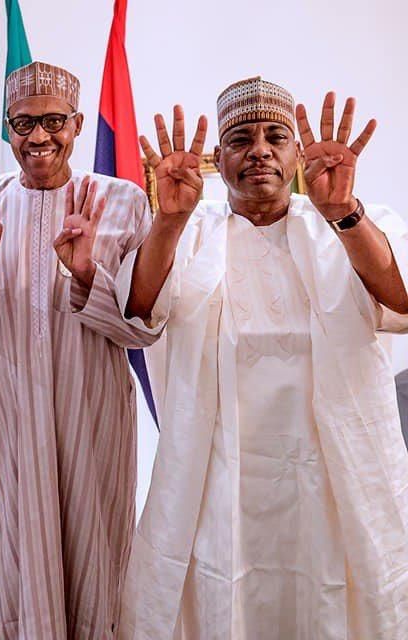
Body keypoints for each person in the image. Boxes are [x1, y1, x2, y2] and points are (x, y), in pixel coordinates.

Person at [118, 77, 408, 639]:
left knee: (330, 598)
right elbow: (138, 312)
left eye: (276, 136)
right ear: (217, 158)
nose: (259, 150)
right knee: (224, 598)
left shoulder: (348, 227)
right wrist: (169, 221)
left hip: (329, 477)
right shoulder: (193, 232)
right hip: (219, 477)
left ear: (297, 154)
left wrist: (345, 212)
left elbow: (400, 300)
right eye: (240, 139)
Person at [0, 61, 159, 639]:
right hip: (6, 416)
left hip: (92, 415)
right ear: (7, 128)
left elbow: (144, 329)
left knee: (97, 559)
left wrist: (86, 273)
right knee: (14, 565)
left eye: (53, 121)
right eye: (24, 123)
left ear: (79, 123)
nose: (39, 137)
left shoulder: (123, 203)